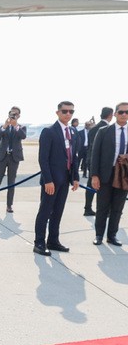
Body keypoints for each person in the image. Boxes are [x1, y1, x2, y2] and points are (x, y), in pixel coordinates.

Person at [33, 101, 80, 255]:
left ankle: (53, 240)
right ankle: (39, 242)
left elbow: (74, 157)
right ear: (57, 112)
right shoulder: (49, 131)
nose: (68, 114)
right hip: (51, 181)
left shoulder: (73, 132)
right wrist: (48, 180)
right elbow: (43, 159)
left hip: (65, 180)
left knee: (58, 212)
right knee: (45, 212)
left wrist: (75, 177)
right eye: (65, 111)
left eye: (71, 111)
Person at [88, 102, 128, 246]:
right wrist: (94, 175)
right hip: (106, 174)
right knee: (102, 207)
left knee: (118, 207)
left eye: (127, 112)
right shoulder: (104, 131)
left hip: (124, 175)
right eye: (121, 112)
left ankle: (112, 235)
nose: (124, 115)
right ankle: (99, 235)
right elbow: (95, 154)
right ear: (115, 114)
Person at [0, 106, 25, 214]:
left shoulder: (21, 127)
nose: (13, 116)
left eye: (15, 114)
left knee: (11, 182)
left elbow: (23, 136)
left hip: (14, 158)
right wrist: (4, 126)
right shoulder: (4, 127)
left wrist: (15, 125)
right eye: (11, 114)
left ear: (19, 116)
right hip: (2, 157)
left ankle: (9, 205)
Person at [84, 107, 113, 216]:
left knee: (90, 185)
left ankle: (87, 208)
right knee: (106, 186)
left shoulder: (93, 128)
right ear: (110, 115)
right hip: (104, 162)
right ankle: (106, 210)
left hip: (92, 160)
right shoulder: (108, 129)